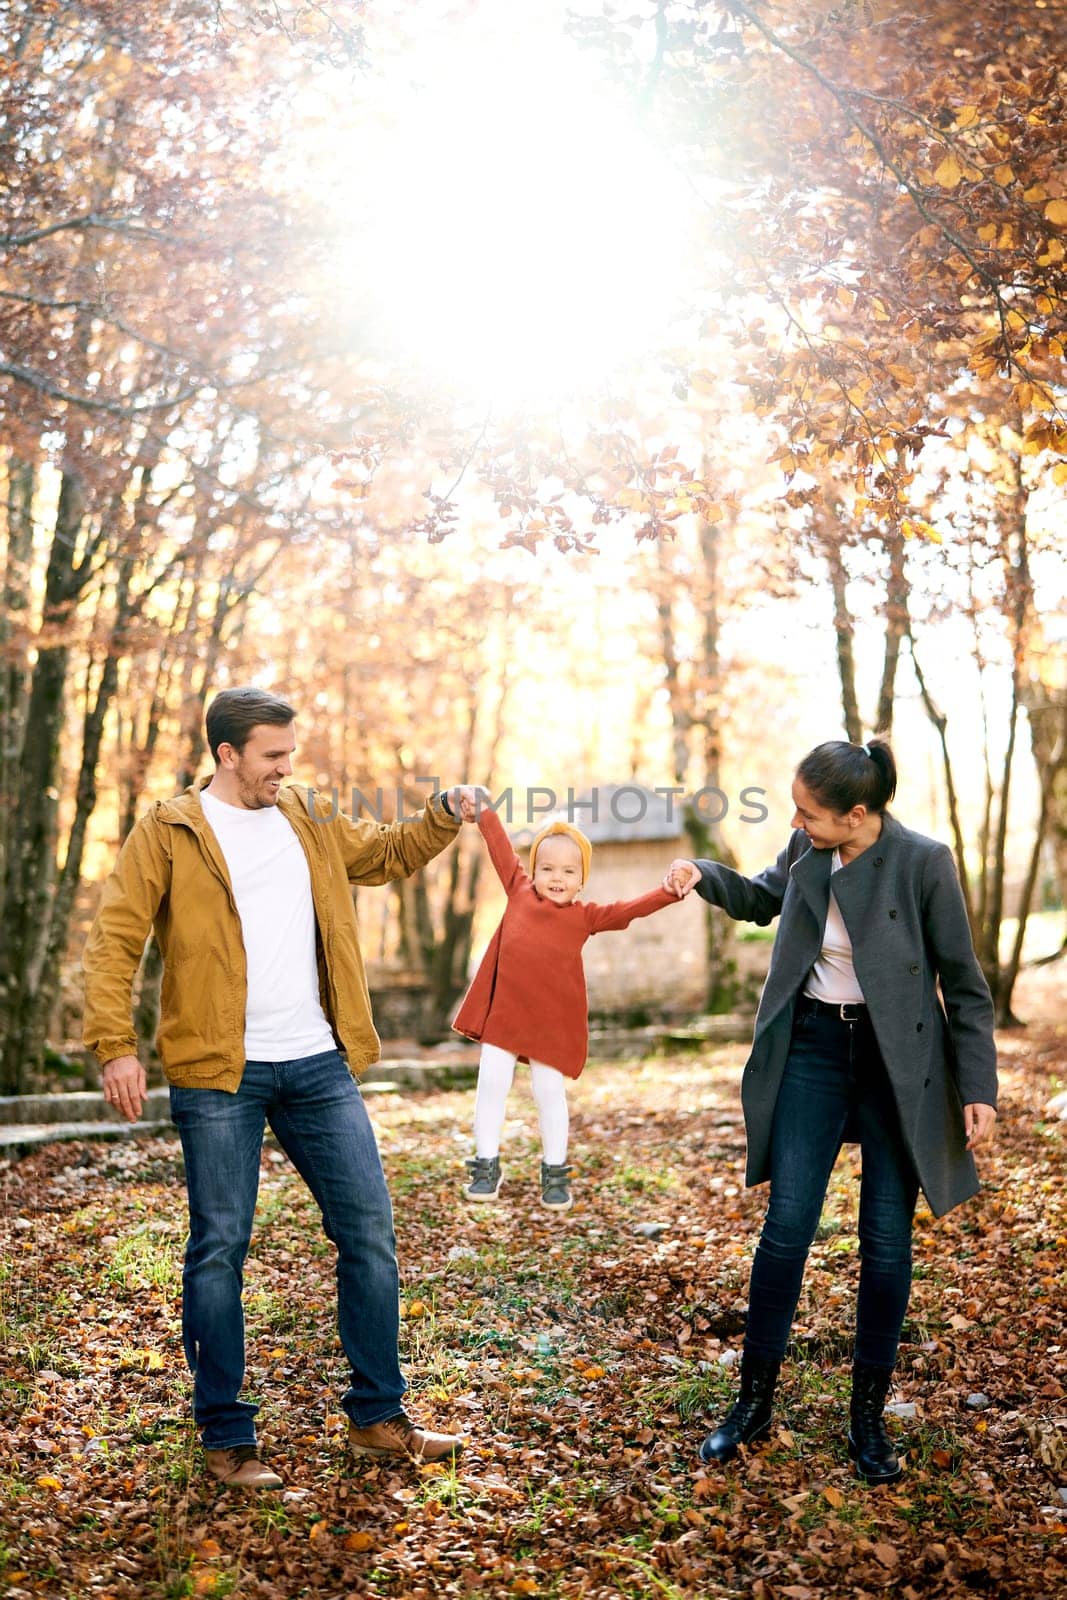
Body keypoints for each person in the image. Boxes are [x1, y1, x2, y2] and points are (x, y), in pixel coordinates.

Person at [83, 686, 479, 1489]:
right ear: (227, 755)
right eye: (271, 755)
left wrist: (442, 812)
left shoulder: (307, 813)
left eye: (289, 754)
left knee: (368, 1235)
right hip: (217, 1071)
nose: (284, 768)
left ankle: (376, 1417)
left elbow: (385, 853)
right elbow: (115, 939)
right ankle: (227, 1437)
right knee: (219, 1251)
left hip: (317, 1063)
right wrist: (112, 1046)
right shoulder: (169, 831)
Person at [665, 737, 997, 1485]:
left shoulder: (923, 862)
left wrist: (978, 1087)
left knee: (884, 1239)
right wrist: (702, 875)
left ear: (856, 814)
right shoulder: (807, 849)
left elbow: (964, 984)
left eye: (810, 813)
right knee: (786, 1227)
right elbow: (760, 898)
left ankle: (867, 1419)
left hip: (895, 1065)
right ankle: (751, 1406)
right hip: (813, 1050)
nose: (796, 820)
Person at [453, 794, 683, 1211]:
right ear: (534, 870)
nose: (556, 877)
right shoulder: (520, 891)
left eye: (567, 871)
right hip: (505, 1013)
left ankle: (555, 1173)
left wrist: (667, 893)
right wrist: (483, 811)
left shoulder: (585, 916)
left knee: (548, 1092)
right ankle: (486, 1164)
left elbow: (627, 910)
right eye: (547, 868)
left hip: (551, 1021)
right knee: (491, 1085)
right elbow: (501, 847)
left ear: (581, 880)